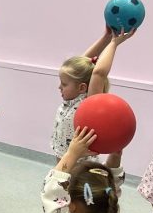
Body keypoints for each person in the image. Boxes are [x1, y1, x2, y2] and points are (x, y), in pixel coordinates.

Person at [51, 28, 135, 160]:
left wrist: (114, 43)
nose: (59, 87)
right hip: (63, 159)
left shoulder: (87, 103)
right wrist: (106, 37)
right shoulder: (71, 99)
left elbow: (99, 73)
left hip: (79, 165)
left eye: (64, 84)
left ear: (82, 87)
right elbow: (81, 65)